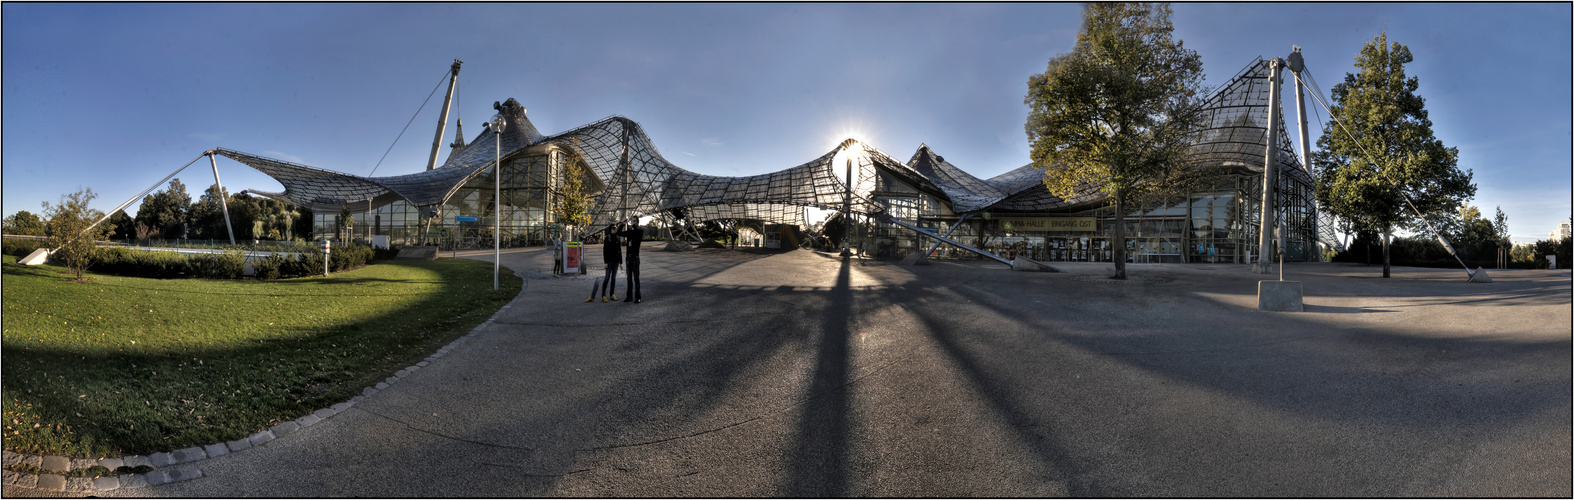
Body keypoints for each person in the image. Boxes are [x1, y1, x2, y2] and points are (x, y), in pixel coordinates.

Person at [588, 225, 622, 302]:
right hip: (609, 261)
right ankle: (603, 295)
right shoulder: (607, 238)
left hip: (616, 261)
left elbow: (619, 250)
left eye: (616, 228)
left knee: (613, 278)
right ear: (610, 229)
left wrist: (621, 262)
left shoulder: (617, 238)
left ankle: (612, 294)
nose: (615, 229)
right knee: (607, 278)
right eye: (613, 228)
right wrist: (605, 262)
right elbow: (605, 251)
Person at [614, 221, 644, 303]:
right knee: (629, 279)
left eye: (634, 221)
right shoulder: (629, 233)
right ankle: (629, 296)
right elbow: (619, 233)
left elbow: (639, 232)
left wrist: (634, 226)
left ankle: (638, 297)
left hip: (635, 258)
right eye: (632, 221)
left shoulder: (639, 232)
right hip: (628, 258)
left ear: (637, 222)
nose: (632, 222)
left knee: (636, 278)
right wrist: (622, 225)